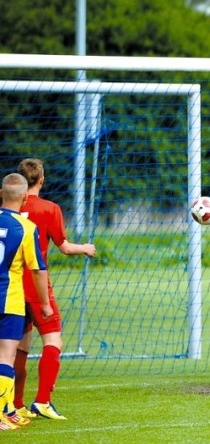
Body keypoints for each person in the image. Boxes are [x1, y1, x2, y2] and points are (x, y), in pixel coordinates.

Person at [12, 158, 96, 421]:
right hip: (38, 286)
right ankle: (43, 401)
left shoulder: (8, 208)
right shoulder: (50, 209)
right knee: (53, 340)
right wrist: (85, 248)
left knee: (19, 348)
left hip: (12, 286)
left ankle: (16, 403)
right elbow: (65, 247)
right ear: (42, 180)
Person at [0, 173, 52, 432]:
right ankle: (1, 415)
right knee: (6, 357)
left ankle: (8, 408)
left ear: (1, 193)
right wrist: (45, 304)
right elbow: (38, 270)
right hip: (9, 302)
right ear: (23, 197)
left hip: (9, 301)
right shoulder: (26, 228)